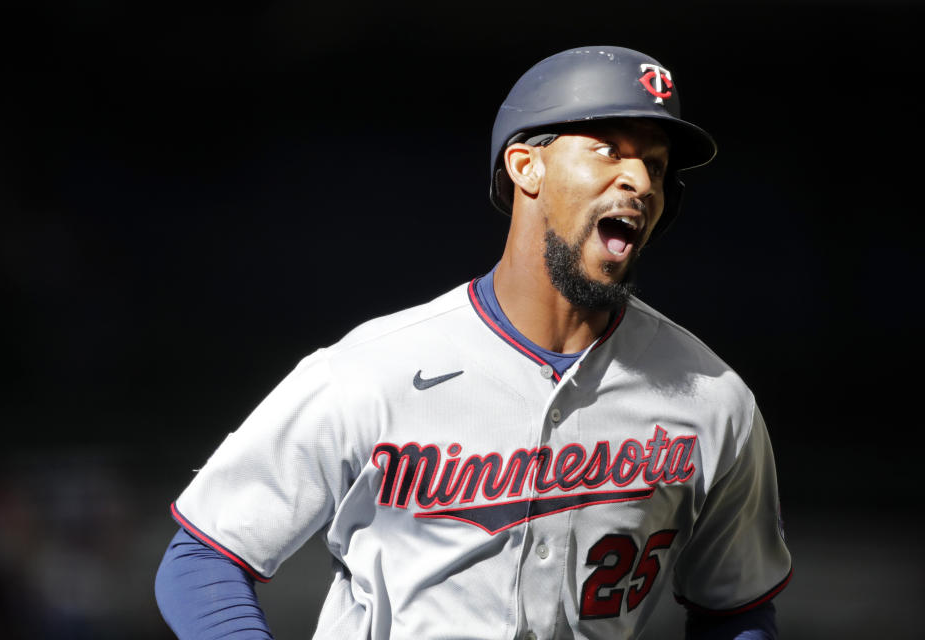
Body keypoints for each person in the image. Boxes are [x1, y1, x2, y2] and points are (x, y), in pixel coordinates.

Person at [155, 45, 792, 639]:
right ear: (526, 165)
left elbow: (735, 606)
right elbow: (202, 560)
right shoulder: (373, 370)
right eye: (607, 149)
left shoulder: (711, 398)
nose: (640, 181)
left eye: (654, 165)